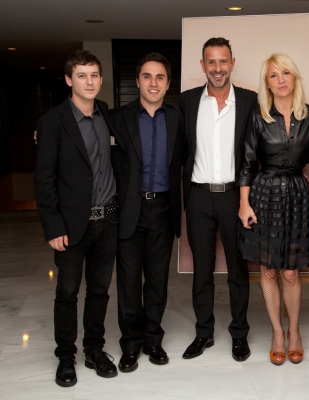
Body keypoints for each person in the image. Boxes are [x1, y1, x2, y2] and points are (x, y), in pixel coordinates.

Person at [238, 53, 309, 365]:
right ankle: (277, 332)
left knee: (290, 272)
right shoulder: (258, 117)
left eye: (285, 74)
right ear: (267, 83)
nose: (280, 80)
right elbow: (248, 163)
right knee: (267, 269)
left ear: (295, 78)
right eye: (273, 76)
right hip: (264, 195)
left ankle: (295, 331)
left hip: (296, 195)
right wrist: (243, 204)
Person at [34, 50, 118, 387]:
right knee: (67, 292)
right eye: (81, 75)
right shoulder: (52, 122)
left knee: (99, 291)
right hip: (70, 227)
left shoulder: (107, 115)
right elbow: (44, 179)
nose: (89, 81)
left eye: (94, 75)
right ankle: (65, 356)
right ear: (69, 79)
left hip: (107, 220)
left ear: (100, 79)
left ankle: (94, 349)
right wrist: (53, 225)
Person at [179, 37, 258, 361]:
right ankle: (203, 334)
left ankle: (239, 334)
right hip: (198, 197)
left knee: (239, 271)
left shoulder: (250, 101)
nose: (217, 68)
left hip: (235, 198)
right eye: (211, 62)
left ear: (232, 63)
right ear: (202, 66)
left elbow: (264, 145)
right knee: (202, 271)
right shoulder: (186, 102)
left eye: (223, 61)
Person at [109, 53, 184, 372]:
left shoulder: (179, 119)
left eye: (160, 77)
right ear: (137, 80)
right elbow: (79, 124)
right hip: (129, 210)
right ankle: (130, 345)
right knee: (127, 281)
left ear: (168, 83)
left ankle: (153, 340)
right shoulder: (116, 117)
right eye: (147, 76)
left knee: (156, 280)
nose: (153, 83)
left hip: (164, 208)